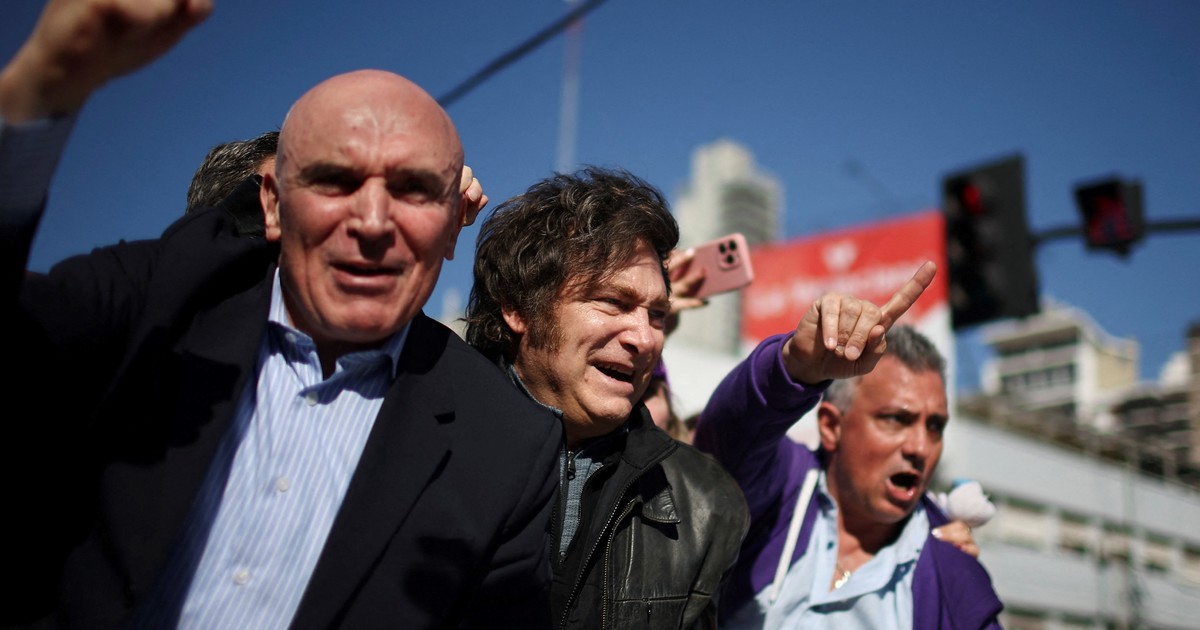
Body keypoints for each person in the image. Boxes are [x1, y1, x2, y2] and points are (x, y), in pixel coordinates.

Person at [0, 1, 560, 627]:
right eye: (336, 181)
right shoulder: (167, 294)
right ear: (271, 206)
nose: (373, 223)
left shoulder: (506, 444)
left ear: (452, 226)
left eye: (414, 191)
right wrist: (39, 88)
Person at [465, 167, 750, 629]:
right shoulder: (424, 433)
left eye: (657, 314)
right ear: (517, 306)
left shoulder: (707, 502)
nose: (644, 338)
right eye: (614, 302)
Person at [694, 274, 1004, 629]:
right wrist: (794, 365)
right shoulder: (779, 491)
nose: (920, 447)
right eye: (896, 419)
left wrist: (954, 571)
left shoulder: (953, 575)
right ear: (831, 426)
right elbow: (728, 436)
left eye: (934, 426)